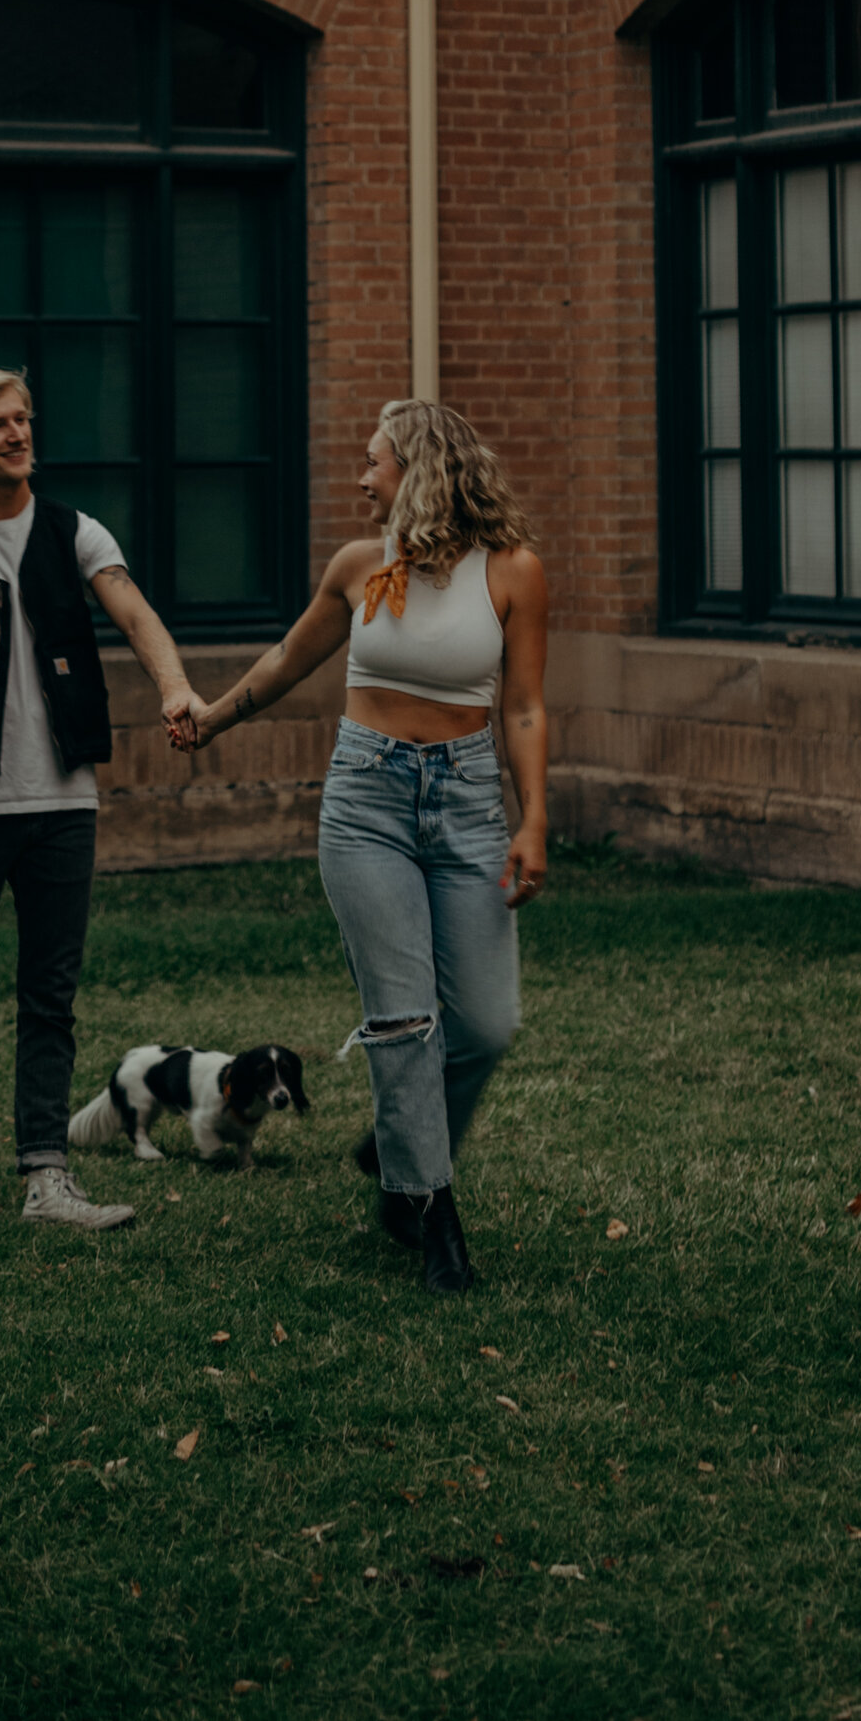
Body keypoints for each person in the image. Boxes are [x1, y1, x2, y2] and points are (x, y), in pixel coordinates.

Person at [173, 397, 548, 1298]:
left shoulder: (513, 572)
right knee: (406, 1020)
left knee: (488, 1024)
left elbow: (527, 705)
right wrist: (212, 719)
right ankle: (432, 1214)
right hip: (366, 803)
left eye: (373, 460)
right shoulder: (358, 567)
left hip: (464, 804)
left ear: (419, 469)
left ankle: (396, 1142)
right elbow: (285, 663)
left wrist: (534, 818)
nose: (360, 476)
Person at [0, 365, 211, 1227]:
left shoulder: (75, 532)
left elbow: (135, 616)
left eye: (23, 419)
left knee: (50, 996)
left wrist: (174, 687)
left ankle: (45, 1177)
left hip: (63, 805)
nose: (19, 435)